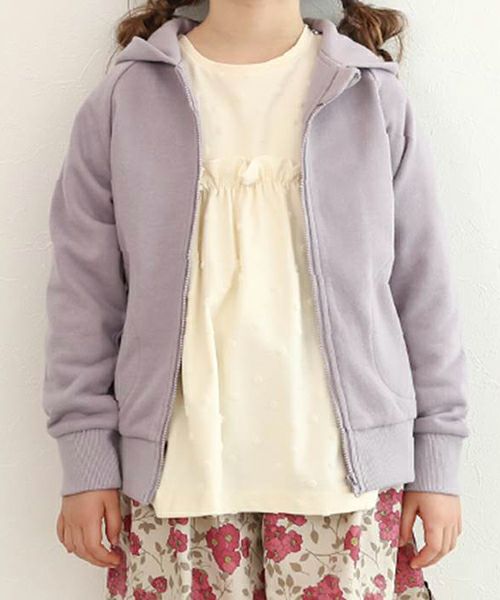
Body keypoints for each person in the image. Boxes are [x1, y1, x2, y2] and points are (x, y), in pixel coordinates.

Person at [42, 0, 469, 597]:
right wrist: (86, 456)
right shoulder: (125, 100)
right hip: (179, 489)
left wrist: (437, 460)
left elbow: (423, 291)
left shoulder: (371, 96)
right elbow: (85, 298)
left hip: (344, 487)